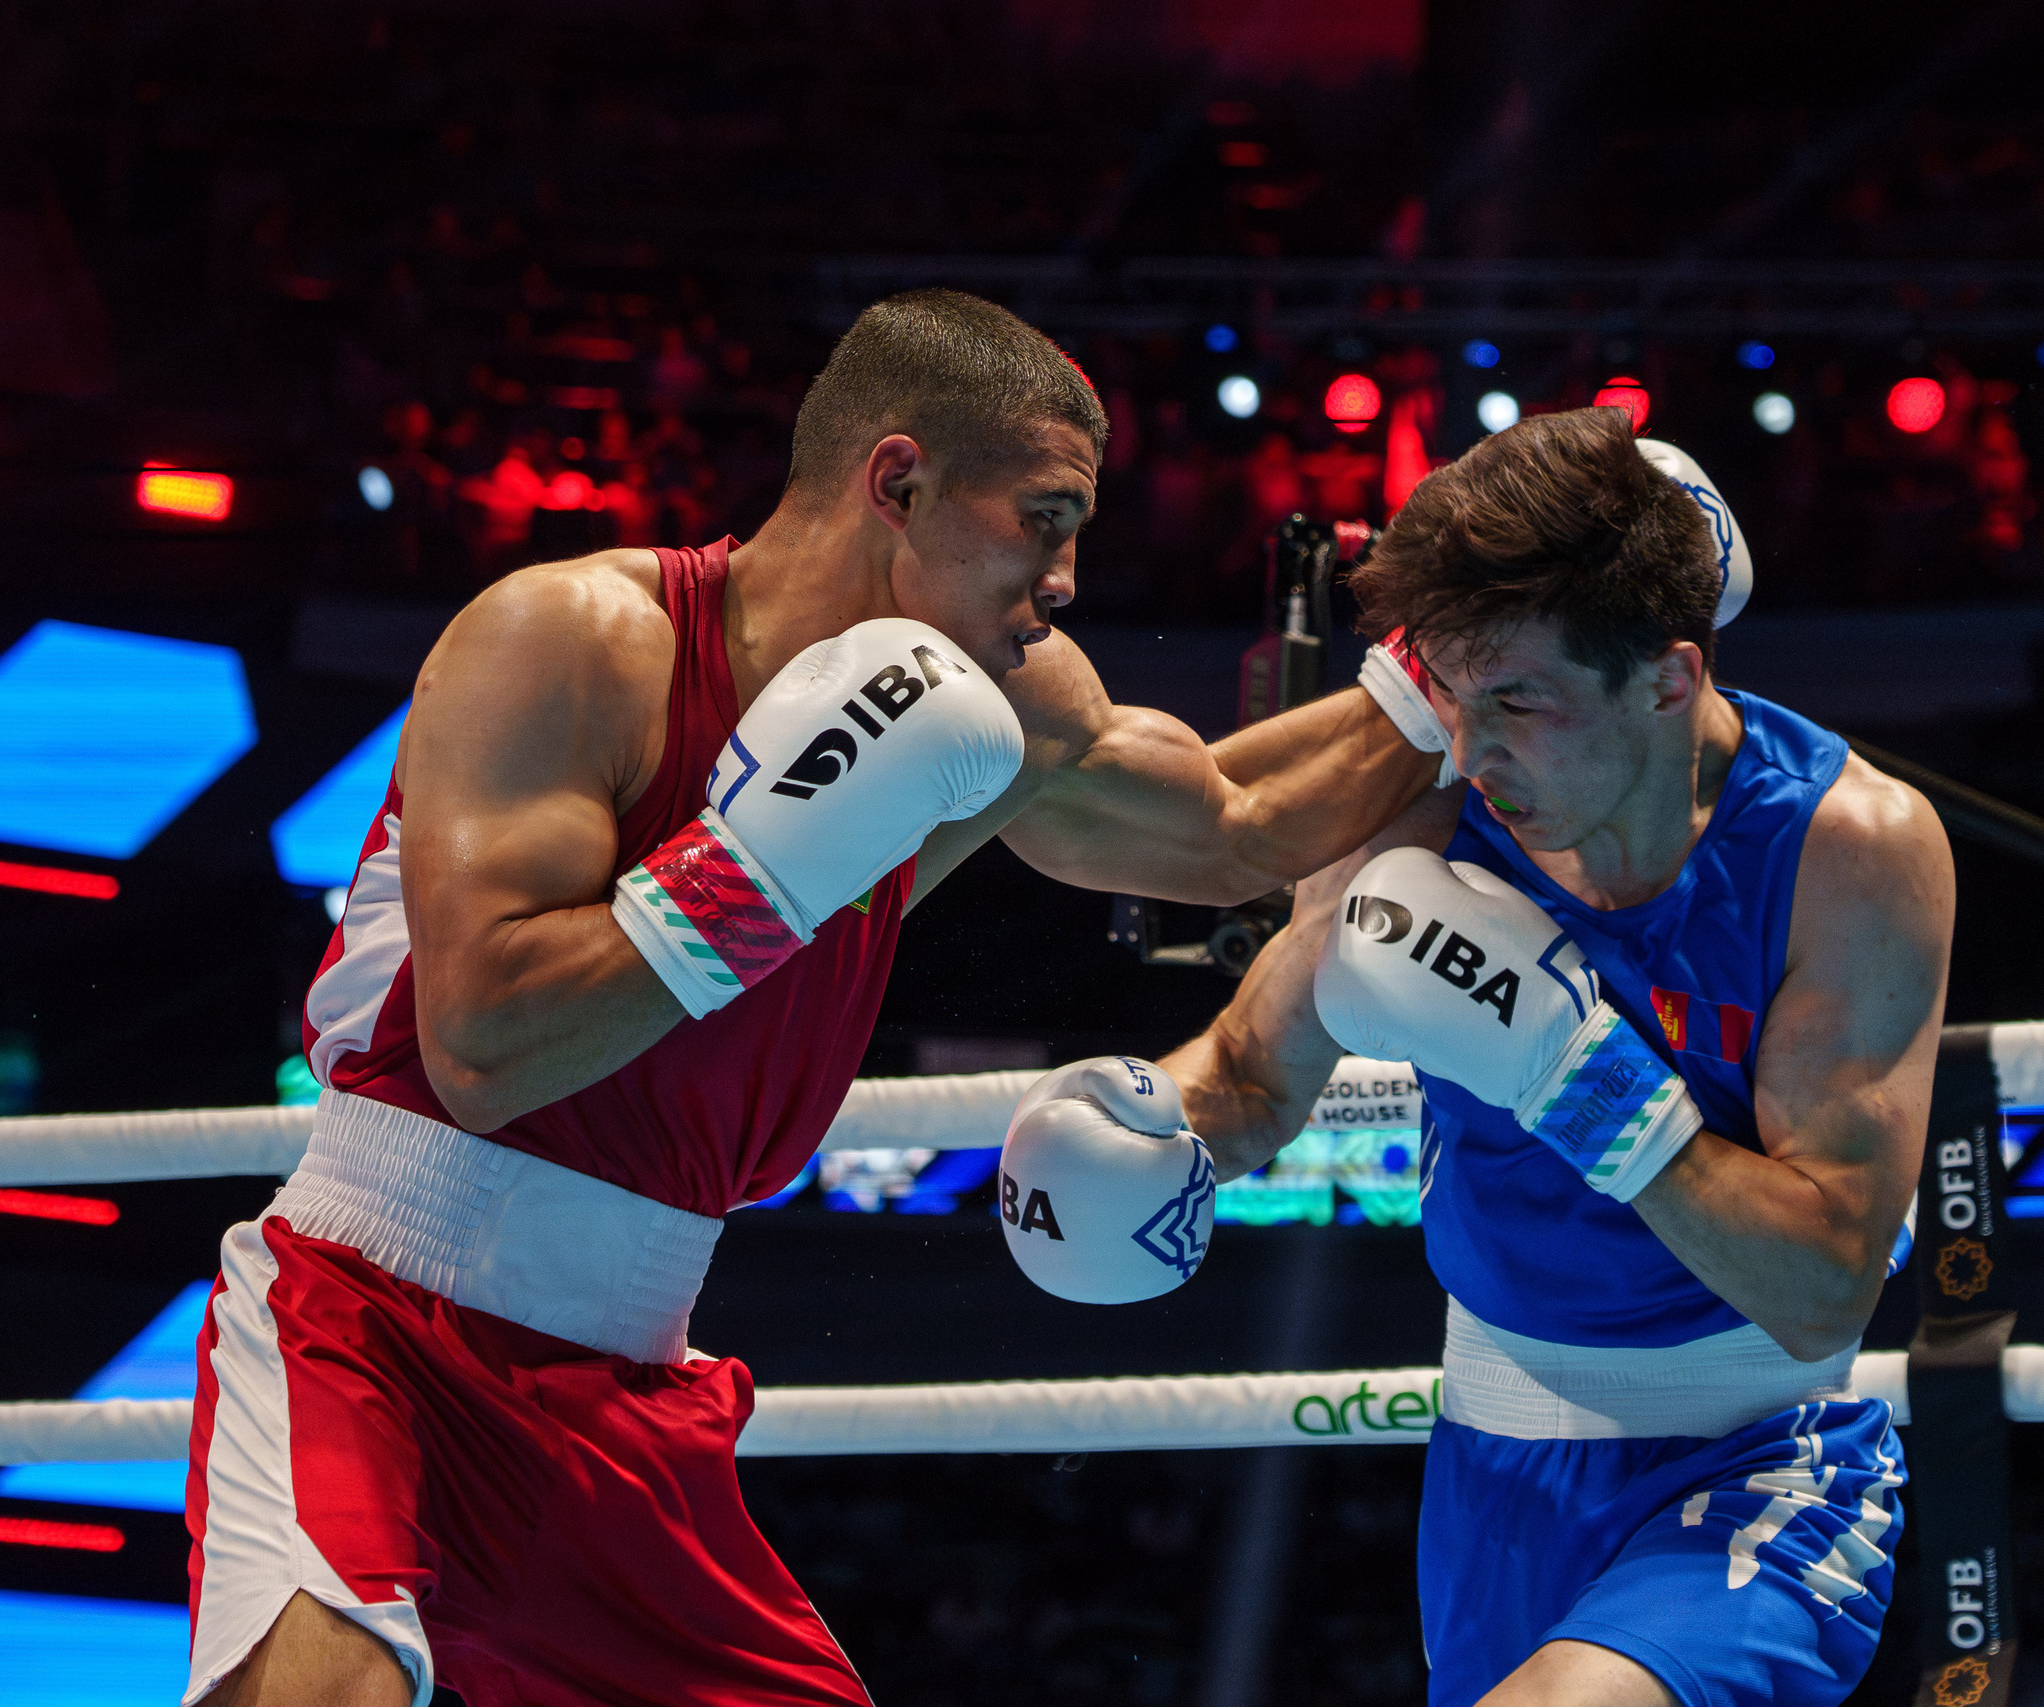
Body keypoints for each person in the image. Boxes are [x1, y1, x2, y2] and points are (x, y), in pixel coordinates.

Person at [184, 289, 1439, 1707]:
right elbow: (482, 1049)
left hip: (619, 1396)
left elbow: (1232, 822)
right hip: (377, 1324)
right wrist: (764, 866)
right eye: (1044, 517)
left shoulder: (1007, 702)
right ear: (898, 482)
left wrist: (1464, 668)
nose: (1070, 576)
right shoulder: (574, 640)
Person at [1015, 406, 1954, 1707]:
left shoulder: (1846, 852)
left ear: (1670, 678)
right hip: (1491, 1464)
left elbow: (1823, 1286)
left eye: (1519, 700)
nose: (1472, 746)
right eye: (1455, 697)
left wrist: (1576, 1073)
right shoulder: (1436, 818)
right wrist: (1133, 1125)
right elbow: (1250, 1076)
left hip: (1756, 1456)